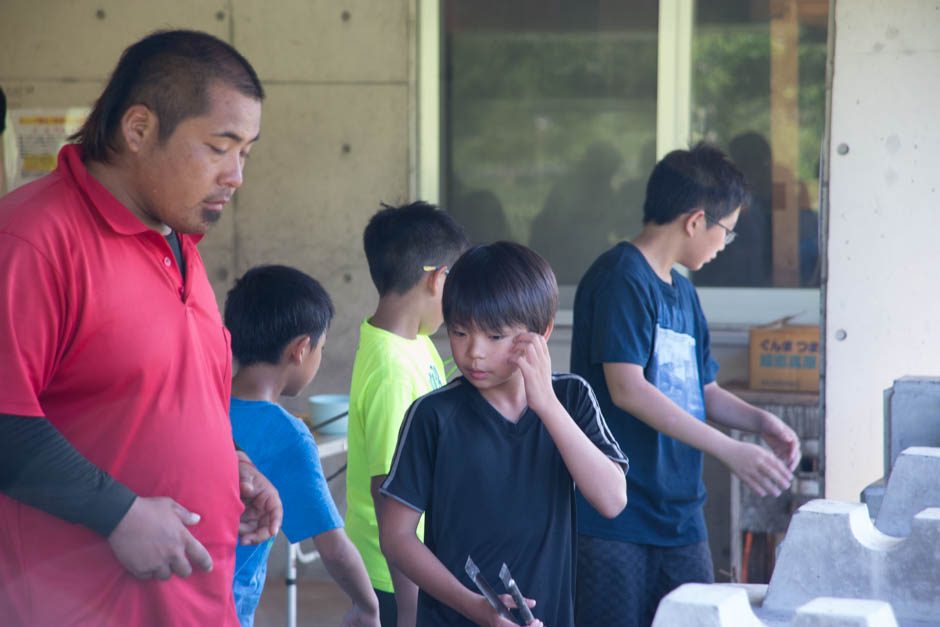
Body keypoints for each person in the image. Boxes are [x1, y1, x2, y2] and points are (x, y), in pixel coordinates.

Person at [0, 30, 282, 626]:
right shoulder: (32, 240)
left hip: (197, 602)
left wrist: (231, 463)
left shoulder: (177, 242)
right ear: (138, 129)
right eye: (218, 146)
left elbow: (165, 400)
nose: (235, 175)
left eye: (246, 153)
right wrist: (119, 513)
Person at [569, 142, 802, 627]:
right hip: (618, 516)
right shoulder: (621, 278)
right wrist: (728, 449)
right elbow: (626, 387)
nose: (724, 245)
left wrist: (761, 423)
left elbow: (704, 391)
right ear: (696, 221)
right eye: (727, 232)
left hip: (679, 515)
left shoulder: (683, 292)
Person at [379, 241, 630, 627]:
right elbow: (396, 537)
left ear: (541, 333)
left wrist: (545, 403)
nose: (474, 353)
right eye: (460, 333)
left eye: (495, 337)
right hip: (455, 617)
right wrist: (474, 606)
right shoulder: (432, 416)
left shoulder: (571, 397)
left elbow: (612, 499)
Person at [224, 264, 380, 627]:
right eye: (320, 348)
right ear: (301, 349)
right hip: (226, 608)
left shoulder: (202, 399)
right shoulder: (288, 435)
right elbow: (335, 550)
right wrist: (367, 606)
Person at [345, 201, 469, 627]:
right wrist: (410, 606)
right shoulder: (391, 369)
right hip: (398, 574)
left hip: (417, 560)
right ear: (438, 279)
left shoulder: (412, 339)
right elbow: (389, 492)